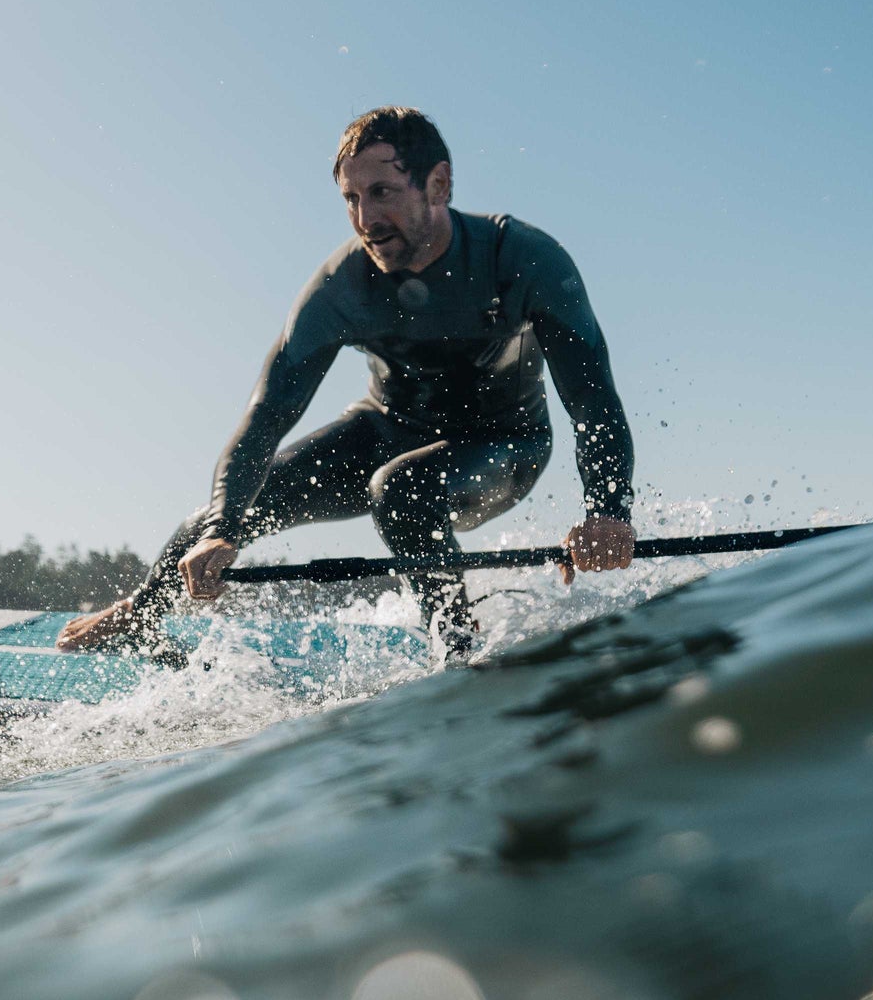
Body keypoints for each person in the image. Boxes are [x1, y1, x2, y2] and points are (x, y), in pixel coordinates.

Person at [57, 107, 635, 655]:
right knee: (230, 508)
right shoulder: (343, 287)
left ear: (438, 185)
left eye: (382, 192)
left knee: (400, 489)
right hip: (386, 427)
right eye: (351, 199)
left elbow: (592, 399)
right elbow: (267, 415)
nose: (365, 220)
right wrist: (222, 530)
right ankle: (140, 616)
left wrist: (607, 510)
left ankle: (457, 648)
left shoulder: (521, 259)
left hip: (504, 445)